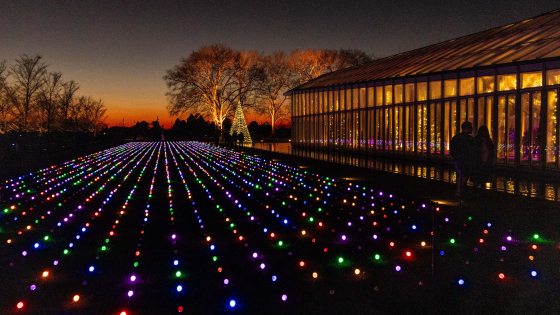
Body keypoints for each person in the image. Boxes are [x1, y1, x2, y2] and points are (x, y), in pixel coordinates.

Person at [450, 121, 475, 198]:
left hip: (459, 160)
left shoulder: (456, 138)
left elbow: (452, 149)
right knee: (463, 176)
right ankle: (459, 193)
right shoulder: (469, 139)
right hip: (464, 161)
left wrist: (455, 158)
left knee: (461, 176)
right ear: (467, 128)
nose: (472, 129)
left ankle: (459, 193)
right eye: (470, 128)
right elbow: (472, 150)